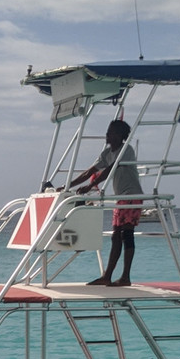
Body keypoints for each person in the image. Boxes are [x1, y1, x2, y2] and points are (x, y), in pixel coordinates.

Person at [67, 119, 144, 286]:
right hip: (120, 197)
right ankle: (107, 275)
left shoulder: (126, 150)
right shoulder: (106, 153)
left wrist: (90, 186)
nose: (107, 135)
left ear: (119, 135)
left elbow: (111, 169)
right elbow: (90, 171)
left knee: (127, 234)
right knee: (116, 236)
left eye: (111, 132)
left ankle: (125, 277)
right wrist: (68, 185)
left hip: (131, 195)